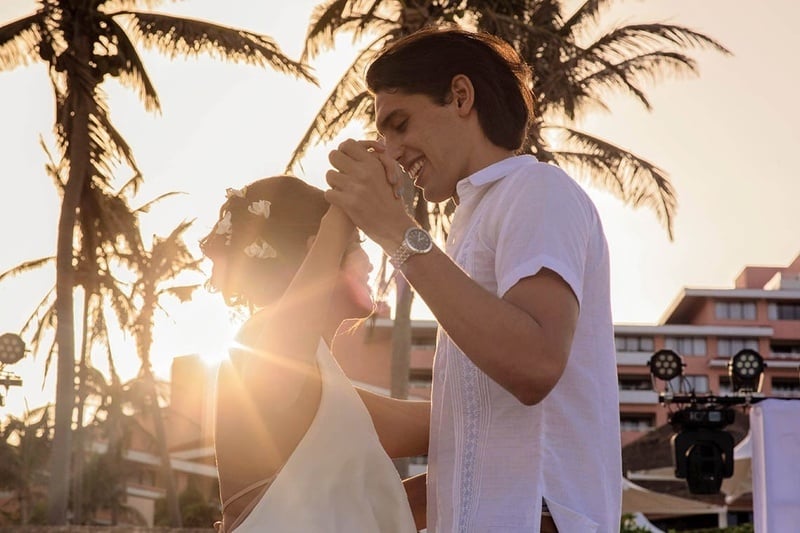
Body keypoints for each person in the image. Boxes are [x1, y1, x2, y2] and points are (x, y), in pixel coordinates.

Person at [326, 26, 623, 532]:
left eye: (400, 124)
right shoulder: (472, 223)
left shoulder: (537, 190)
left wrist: (398, 232)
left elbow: (534, 363)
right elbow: (474, 442)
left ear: (460, 96)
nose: (393, 152)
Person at [200, 176, 427, 532]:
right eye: (357, 243)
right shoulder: (259, 339)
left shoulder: (331, 392)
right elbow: (277, 381)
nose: (370, 263)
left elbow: (440, 428)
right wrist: (341, 213)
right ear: (318, 248)